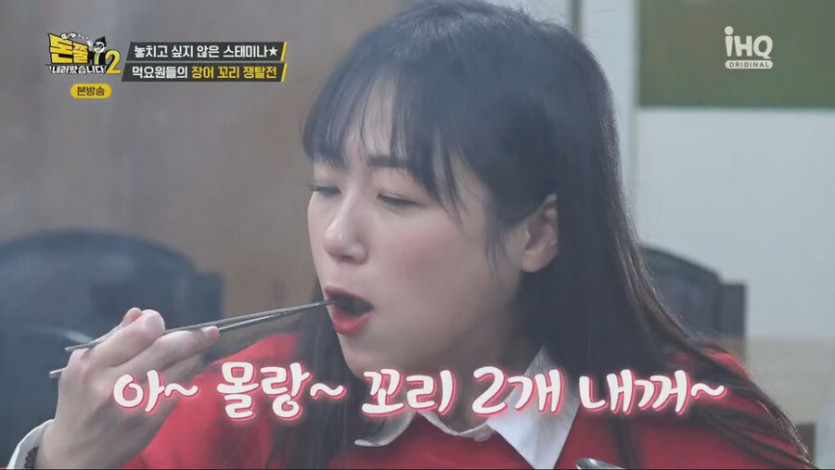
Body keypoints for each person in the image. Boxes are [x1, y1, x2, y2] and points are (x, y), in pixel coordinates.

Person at [7, 1, 814, 468]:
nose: (337, 236)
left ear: (537, 233)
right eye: (325, 187)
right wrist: (64, 459)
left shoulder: (692, 426)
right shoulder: (252, 406)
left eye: (395, 197)